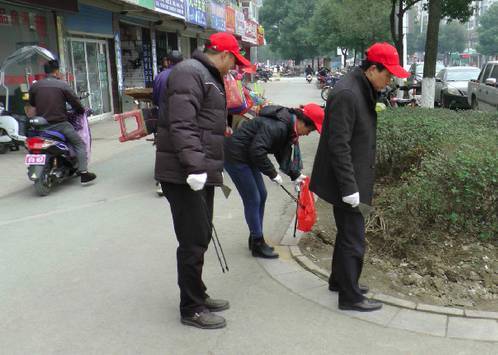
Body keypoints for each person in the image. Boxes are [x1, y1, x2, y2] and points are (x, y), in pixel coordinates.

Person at [155, 32, 251, 329]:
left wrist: (216, 131)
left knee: (201, 235)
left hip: (200, 171)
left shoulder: (205, 74)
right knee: (193, 241)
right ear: (224, 54)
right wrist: (194, 166)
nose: (235, 67)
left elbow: (198, 120)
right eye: (235, 60)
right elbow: (182, 124)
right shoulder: (189, 73)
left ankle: (198, 293)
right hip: (186, 174)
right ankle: (192, 308)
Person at [310, 42, 409, 312]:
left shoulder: (361, 87)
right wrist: (349, 187)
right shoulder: (347, 93)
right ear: (372, 68)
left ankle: (339, 280)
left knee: (346, 233)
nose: (389, 81)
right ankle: (350, 296)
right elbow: (338, 144)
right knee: (354, 238)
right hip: (347, 180)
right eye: (387, 75)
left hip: (352, 176)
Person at [224, 103, 324, 258]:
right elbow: (258, 151)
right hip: (236, 156)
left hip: (248, 155)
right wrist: (272, 173)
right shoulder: (279, 127)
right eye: (310, 130)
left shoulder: (288, 127)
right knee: (253, 198)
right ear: (302, 121)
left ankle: (255, 235)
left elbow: (281, 152)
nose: (308, 134)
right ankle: (257, 242)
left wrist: (295, 175)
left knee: (262, 195)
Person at [29, 60, 96, 184]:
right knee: (79, 144)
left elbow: (33, 104)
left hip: (41, 127)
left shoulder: (35, 86)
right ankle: (84, 173)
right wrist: (81, 110)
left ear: (45, 72)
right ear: (56, 71)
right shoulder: (62, 85)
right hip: (60, 125)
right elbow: (75, 103)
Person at [152, 50, 183, 196]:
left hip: (164, 119)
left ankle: (161, 183)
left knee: (164, 151)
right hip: (185, 119)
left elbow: (156, 99)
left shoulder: (160, 76)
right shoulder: (188, 75)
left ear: (167, 62)